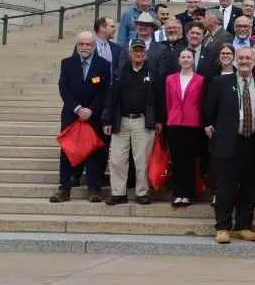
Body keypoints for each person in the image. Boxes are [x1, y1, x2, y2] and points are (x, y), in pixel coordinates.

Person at [205, 46, 255, 244]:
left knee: (249, 187)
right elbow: (209, 110)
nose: (244, 61)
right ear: (235, 60)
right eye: (241, 58)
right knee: (225, 186)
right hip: (228, 142)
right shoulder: (220, 83)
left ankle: (244, 226)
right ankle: (223, 227)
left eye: (248, 58)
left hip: (252, 142)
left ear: (254, 61)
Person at [51, 32, 111, 203]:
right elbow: (63, 88)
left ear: (94, 46)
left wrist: (91, 109)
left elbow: (104, 91)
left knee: (94, 151)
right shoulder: (67, 63)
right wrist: (77, 109)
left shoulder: (103, 65)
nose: (84, 47)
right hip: (72, 114)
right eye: (81, 44)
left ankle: (94, 188)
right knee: (68, 150)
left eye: (88, 45)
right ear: (77, 45)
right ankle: (64, 188)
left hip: (93, 116)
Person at [101, 37, 155, 205]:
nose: (138, 53)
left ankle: (142, 192)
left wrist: (158, 120)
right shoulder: (120, 72)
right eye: (135, 50)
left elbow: (158, 98)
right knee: (117, 159)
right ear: (130, 52)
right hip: (121, 120)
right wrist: (107, 120)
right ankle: (118, 193)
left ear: (145, 53)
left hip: (142, 121)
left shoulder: (152, 72)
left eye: (141, 50)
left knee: (142, 160)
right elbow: (111, 98)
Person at [159, 48, 205, 208]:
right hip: (174, 123)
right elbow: (168, 101)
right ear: (179, 60)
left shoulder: (200, 80)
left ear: (193, 60)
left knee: (189, 160)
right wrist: (169, 118)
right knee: (177, 160)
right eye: (183, 57)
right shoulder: (170, 79)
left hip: (192, 123)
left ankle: (188, 194)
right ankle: (177, 194)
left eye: (189, 57)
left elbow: (200, 102)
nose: (186, 59)